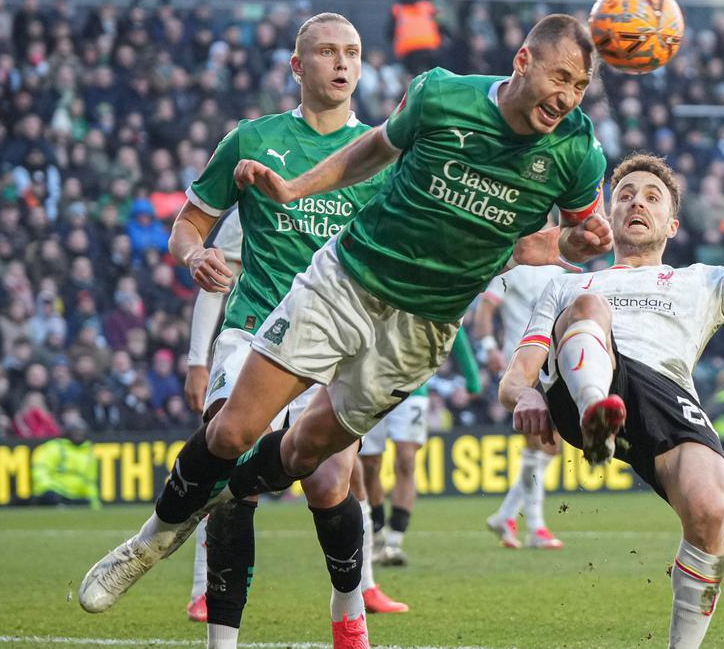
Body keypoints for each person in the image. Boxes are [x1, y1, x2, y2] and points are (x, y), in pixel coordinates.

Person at [80, 13, 613, 622]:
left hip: (422, 329)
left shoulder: (576, 150)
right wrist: (295, 190)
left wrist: (578, 246)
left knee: (312, 459)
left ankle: (262, 525)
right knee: (230, 433)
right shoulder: (442, 94)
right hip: (347, 282)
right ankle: (148, 542)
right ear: (523, 62)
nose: (567, 97)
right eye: (560, 78)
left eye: (580, 87)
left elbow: (558, 244)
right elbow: (373, 150)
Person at [95, 12, 397, 648]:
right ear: (297, 66)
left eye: (352, 52)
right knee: (229, 477)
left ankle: (348, 605)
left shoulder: (380, 154)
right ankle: (216, 636)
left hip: (340, 342)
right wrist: (193, 255)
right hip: (254, 330)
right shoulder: (251, 139)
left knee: (328, 482)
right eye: (325, 53)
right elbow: (190, 223)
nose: (341, 63)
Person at [502, 152, 724, 648]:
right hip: (580, 384)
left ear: (672, 224)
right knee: (591, 308)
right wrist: (528, 397)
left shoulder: (702, 281)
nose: (637, 203)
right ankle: (596, 416)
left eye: (652, 197)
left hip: (664, 397)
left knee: (711, 510)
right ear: (608, 215)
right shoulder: (569, 284)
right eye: (625, 195)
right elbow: (514, 379)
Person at [181, 208, 408, 634]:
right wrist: (198, 360)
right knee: (233, 464)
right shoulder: (262, 171)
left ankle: (358, 595)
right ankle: (203, 592)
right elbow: (216, 272)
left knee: (337, 479)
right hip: (255, 339)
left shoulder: (372, 173)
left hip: (331, 347)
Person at [360, 330, 480, 566]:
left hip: (412, 390)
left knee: (406, 460)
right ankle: (377, 533)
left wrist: (472, 378)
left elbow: (455, 327)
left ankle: (395, 540)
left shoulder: (422, 295)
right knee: (370, 465)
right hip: (371, 388)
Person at [475, 262, 569, 549]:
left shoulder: (560, 272)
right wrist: (490, 347)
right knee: (535, 444)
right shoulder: (513, 269)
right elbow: (484, 310)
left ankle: (505, 515)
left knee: (552, 447)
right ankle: (536, 528)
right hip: (522, 366)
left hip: (552, 367)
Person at [31, 416, 100, 509]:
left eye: (81, 432)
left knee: (85, 503)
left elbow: (90, 483)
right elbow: (40, 471)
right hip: (55, 493)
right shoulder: (55, 447)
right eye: (75, 432)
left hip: (75, 498)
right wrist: (48, 489)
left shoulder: (88, 454)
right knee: (49, 498)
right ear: (68, 432)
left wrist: (94, 504)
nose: (78, 435)